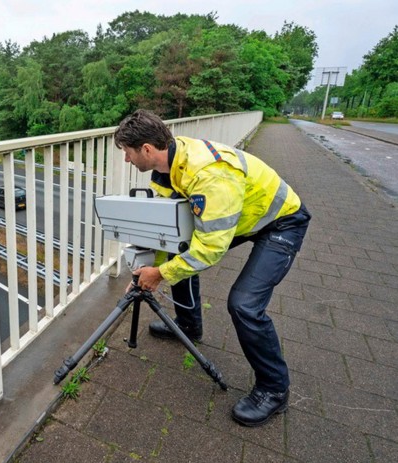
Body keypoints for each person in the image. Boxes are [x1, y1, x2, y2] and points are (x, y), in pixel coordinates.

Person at [114, 109, 311, 427]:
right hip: (240, 217)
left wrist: (160, 275)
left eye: (127, 153)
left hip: (280, 222)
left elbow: (210, 249)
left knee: (245, 305)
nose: (126, 160)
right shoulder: (164, 171)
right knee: (180, 254)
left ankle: (275, 391)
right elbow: (174, 238)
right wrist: (148, 271)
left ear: (147, 149)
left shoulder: (209, 174)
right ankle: (189, 325)